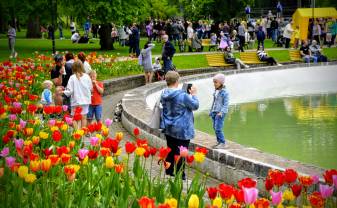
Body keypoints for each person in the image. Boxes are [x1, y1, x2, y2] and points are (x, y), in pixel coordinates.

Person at [160, 71, 199, 180]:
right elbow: (195, 105)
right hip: (182, 129)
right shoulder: (183, 95)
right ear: (178, 81)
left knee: (170, 150)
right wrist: (194, 95)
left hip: (169, 127)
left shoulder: (164, 93)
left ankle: (169, 171)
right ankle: (180, 175)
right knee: (181, 152)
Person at [63, 61, 93, 129]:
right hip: (85, 101)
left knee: (74, 118)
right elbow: (91, 88)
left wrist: (63, 92)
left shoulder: (72, 77)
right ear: (82, 67)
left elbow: (70, 91)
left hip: (76, 101)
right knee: (84, 117)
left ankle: (77, 133)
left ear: (73, 68)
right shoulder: (87, 76)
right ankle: (82, 133)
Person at [209, 74, 229, 149]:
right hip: (214, 112)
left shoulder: (225, 92)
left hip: (220, 113)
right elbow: (214, 102)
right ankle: (219, 141)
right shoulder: (216, 91)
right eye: (214, 82)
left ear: (221, 83)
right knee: (214, 127)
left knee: (218, 128)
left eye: (216, 82)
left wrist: (222, 112)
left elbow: (226, 104)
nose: (214, 84)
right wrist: (211, 111)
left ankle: (223, 142)